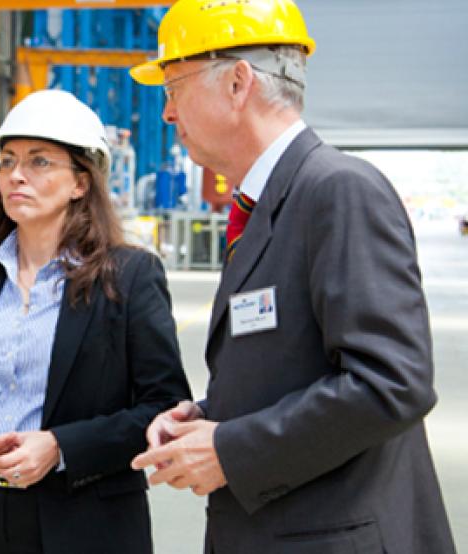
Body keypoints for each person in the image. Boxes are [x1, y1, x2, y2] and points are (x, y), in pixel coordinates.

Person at [128, 1, 456, 552]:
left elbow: (390, 382)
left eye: (173, 88)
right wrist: (210, 417)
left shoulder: (337, 191)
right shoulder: (267, 206)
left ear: (237, 83)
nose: (166, 114)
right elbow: (296, 361)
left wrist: (229, 449)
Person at [0, 89, 192, 554]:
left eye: (40, 162)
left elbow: (163, 406)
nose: (16, 176)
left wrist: (61, 447)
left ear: (80, 183)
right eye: (7, 161)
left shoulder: (128, 278)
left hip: (86, 524)